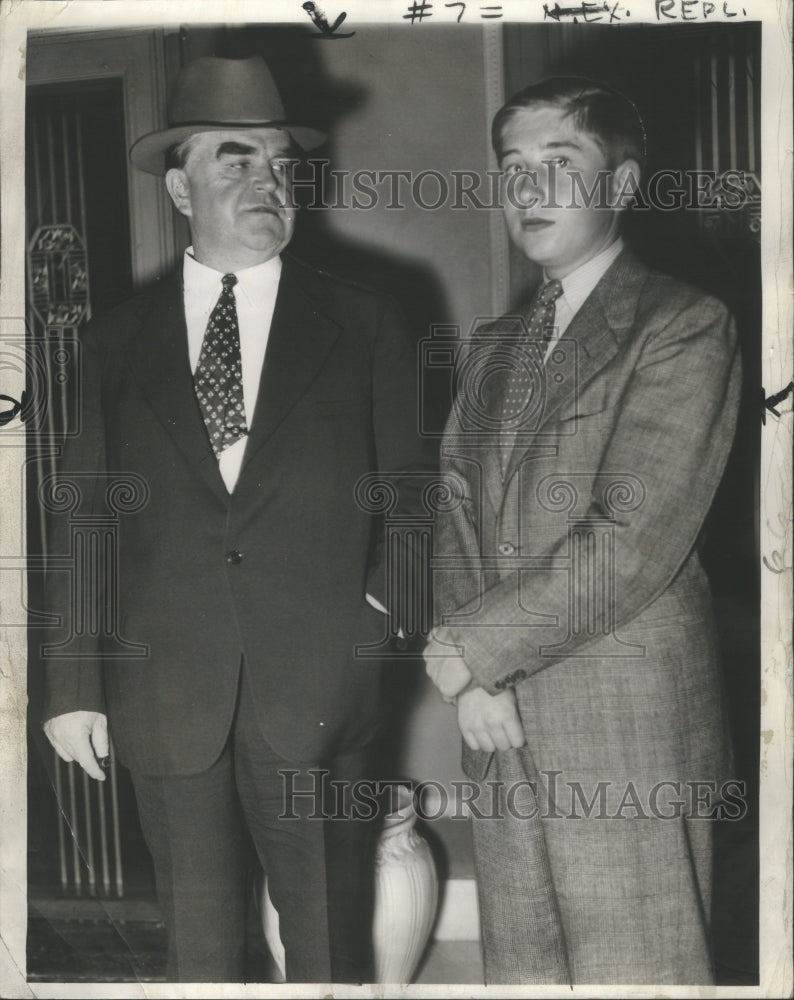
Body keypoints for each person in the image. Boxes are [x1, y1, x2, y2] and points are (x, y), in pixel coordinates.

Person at [41, 55, 429, 983]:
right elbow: (85, 515)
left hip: (322, 698)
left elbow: (418, 499)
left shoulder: (368, 323)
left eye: (279, 164)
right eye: (234, 159)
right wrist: (71, 687)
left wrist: (379, 626)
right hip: (166, 696)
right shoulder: (112, 344)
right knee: (201, 956)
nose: (266, 182)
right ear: (179, 186)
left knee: (330, 945)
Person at [424, 77, 742, 984]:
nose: (528, 191)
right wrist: (473, 676)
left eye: (559, 166)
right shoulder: (496, 345)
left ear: (626, 182)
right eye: (513, 168)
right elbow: (452, 512)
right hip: (501, 722)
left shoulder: (682, 324)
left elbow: (628, 540)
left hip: (625, 727)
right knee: (524, 971)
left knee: (638, 972)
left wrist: (476, 649)